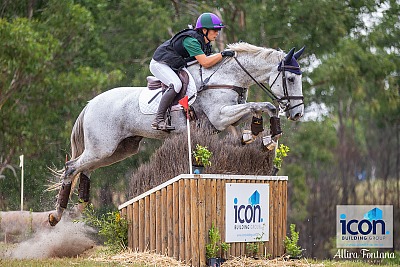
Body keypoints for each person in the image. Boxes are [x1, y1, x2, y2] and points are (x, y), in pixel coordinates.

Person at [150, 12, 235, 131]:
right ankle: (158, 120)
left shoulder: (205, 43)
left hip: (175, 65)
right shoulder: (192, 41)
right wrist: (222, 54)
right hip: (160, 63)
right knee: (176, 84)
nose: (217, 33)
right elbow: (205, 62)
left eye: (218, 30)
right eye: (214, 30)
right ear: (204, 30)